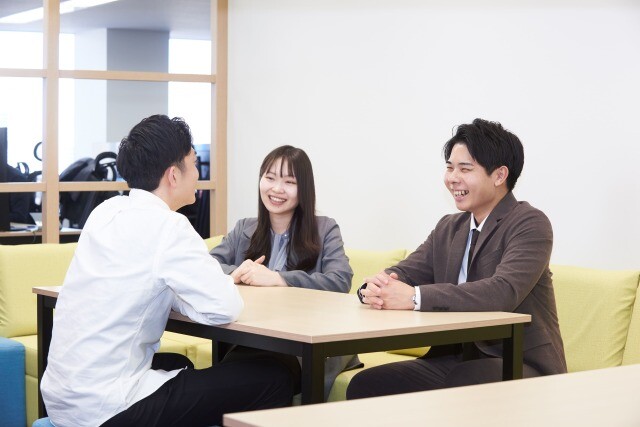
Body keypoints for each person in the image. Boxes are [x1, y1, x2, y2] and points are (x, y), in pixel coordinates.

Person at [41, 115, 294, 427]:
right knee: (276, 377)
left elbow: (142, 282)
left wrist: (182, 293)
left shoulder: (105, 212)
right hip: (106, 409)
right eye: (194, 163)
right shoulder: (169, 226)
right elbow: (225, 307)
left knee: (178, 362)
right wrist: (196, 293)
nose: (198, 173)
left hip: (62, 398)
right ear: (174, 174)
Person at [347, 118, 567, 399]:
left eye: (465, 169)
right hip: (454, 359)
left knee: (464, 381)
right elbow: (408, 271)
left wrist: (413, 297)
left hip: (518, 362)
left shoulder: (529, 223)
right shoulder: (449, 227)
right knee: (366, 384)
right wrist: (375, 288)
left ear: (499, 175)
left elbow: (502, 291)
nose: (452, 178)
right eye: (450, 167)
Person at [210, 145, 360, 400]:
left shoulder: (325, 229)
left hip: (303, 347)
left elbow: (340, 280)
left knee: (248, 381)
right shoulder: (244, 228)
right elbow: (207, 265)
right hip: (252, 340)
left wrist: (278, 278)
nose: (277, 189)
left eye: (289, 182)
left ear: (304, 189)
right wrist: (236, 273)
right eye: (270, 178)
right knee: (230, 381)